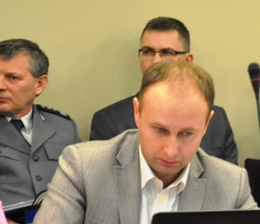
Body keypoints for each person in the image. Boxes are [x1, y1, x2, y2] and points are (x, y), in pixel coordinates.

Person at [22, 61, 256, 224]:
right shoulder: (83, 165)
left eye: (186, 134)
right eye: (159, 130)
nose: (171, 150)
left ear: (207, 123)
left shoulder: (231, 182)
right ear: (137, 112)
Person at [90, 17, 238, 164]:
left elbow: (227, 176)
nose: (155, 61)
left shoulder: (218, 120)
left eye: (167, 52)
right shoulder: (109, 122)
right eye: (148, 51)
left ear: (188, 60)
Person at [0, 39, 80, 224]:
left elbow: (84, 187)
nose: (1, 85)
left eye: (12, 78)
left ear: (40, 84)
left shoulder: (63, 127)